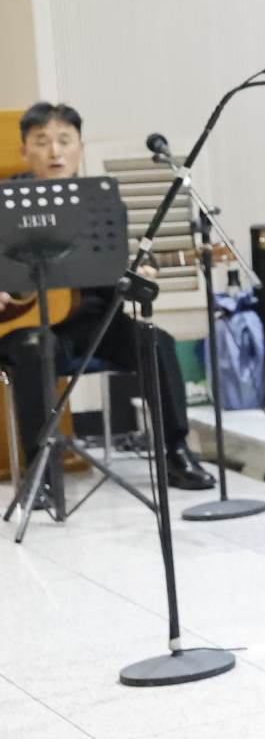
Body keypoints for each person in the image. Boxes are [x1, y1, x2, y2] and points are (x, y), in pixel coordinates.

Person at [2, 103, 214, 494]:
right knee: (36, 348)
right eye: (42, 142)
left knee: (156, 342)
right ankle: (40, 475)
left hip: (94, 324)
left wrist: (133, 276)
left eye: (64, 141)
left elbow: (112, 276)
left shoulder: (101, 206)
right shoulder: (5, 203)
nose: (55, 152)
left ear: (80, 148)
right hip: (24, 327)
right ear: (24, 151)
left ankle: (175, 452)